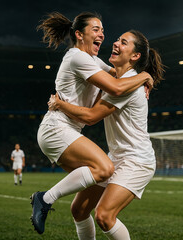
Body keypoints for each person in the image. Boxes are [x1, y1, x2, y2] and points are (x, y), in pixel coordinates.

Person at [30, 12, 153, 235]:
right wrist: (144, 75)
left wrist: (144, 75)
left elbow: (115, 78)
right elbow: (113, 87)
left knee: (80, 210)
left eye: (103, 31)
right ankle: (45, 198)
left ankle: (45, 199)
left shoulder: (95, 63)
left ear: (134, 55)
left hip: (132, 157)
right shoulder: (78, 57)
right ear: (79, 34)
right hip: (58, 129)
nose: (104, 36)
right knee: (103, 169)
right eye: (96, 30)